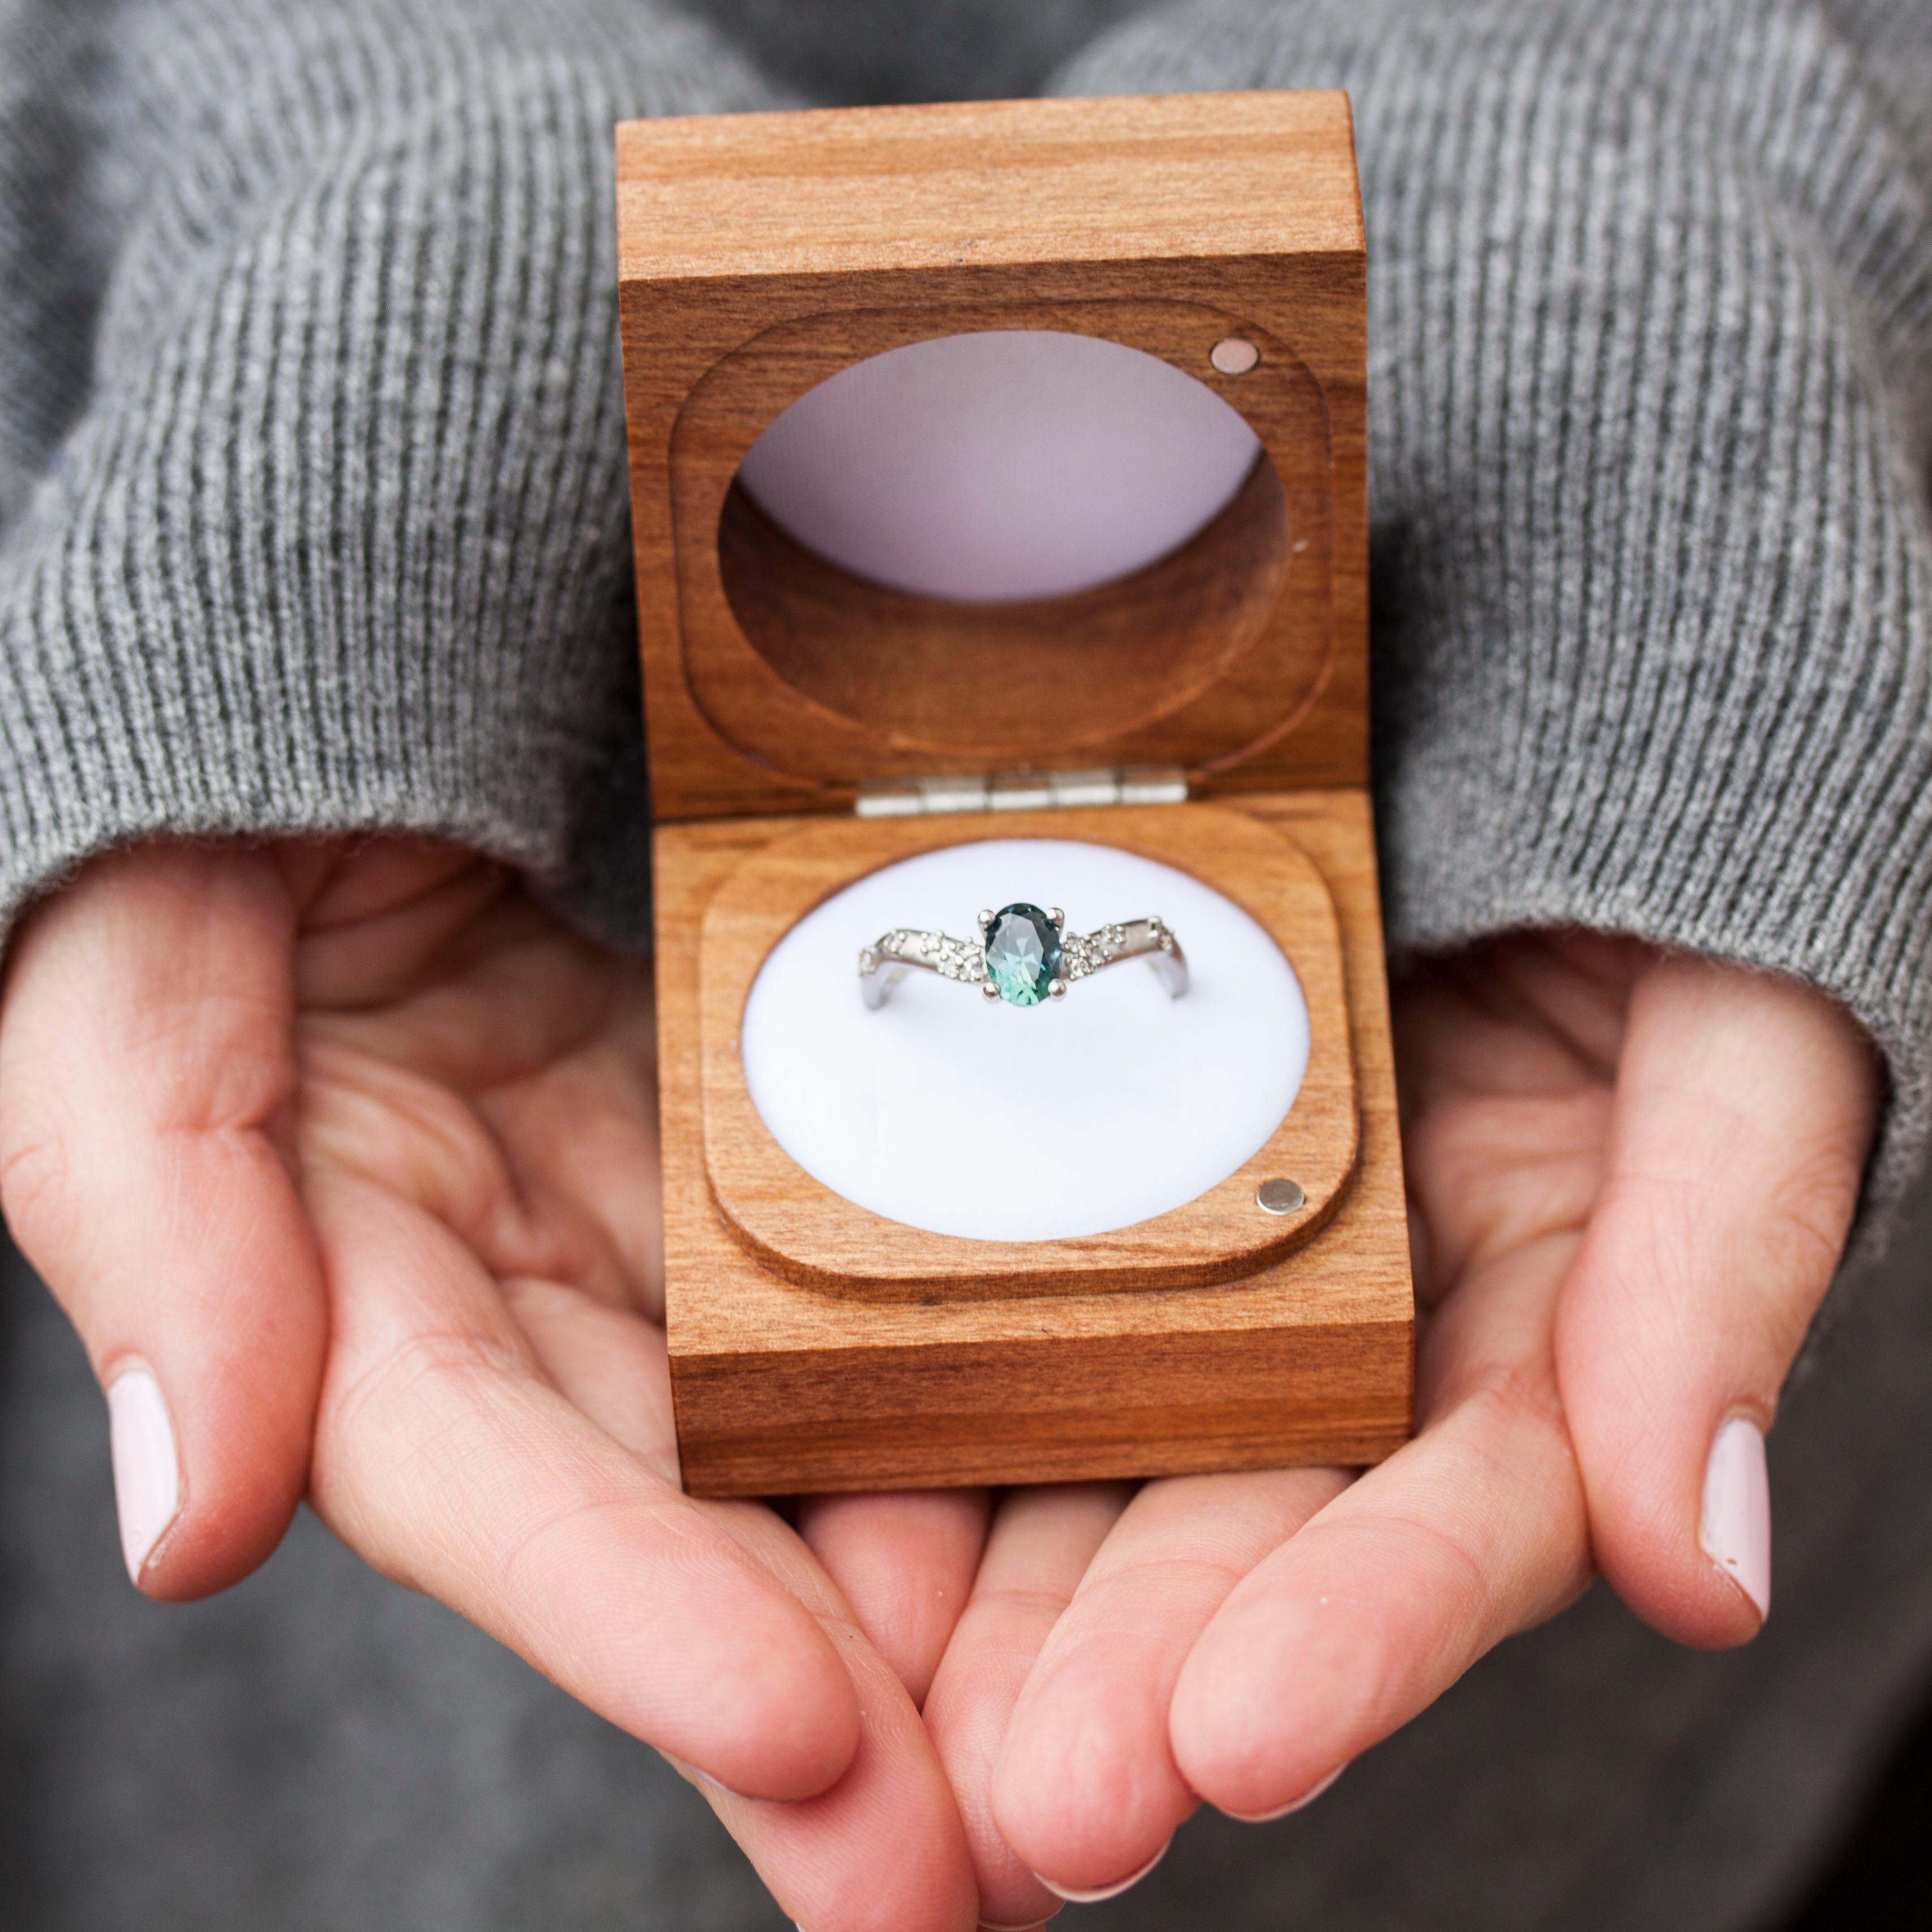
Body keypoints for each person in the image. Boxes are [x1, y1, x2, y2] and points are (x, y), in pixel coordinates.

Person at [0, 2, 1926, 1928]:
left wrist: (1662, 125)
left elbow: (1136, 937)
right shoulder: (942, 951)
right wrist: (323, 156)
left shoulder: (1131, 935)